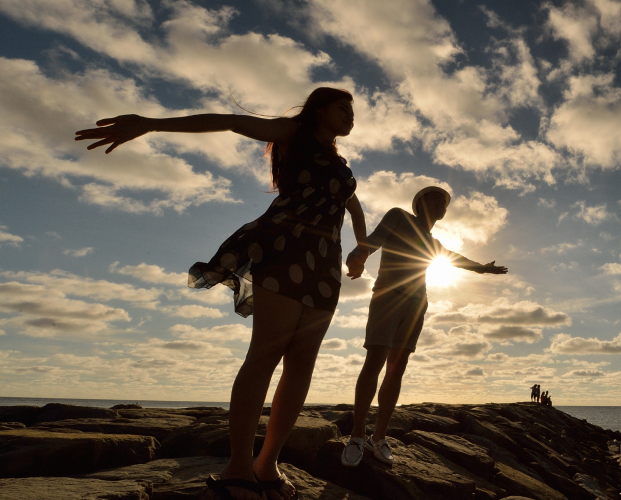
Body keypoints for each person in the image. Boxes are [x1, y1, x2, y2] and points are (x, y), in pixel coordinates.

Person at [76, 87, 366, 500]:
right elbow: (230, 122)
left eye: (353, 113)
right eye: (343, 109)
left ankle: (267, 465)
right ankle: (236, 469)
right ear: (320, 109)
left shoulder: (339, 162)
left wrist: (361, 245)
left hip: (324, 263)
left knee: (302, 363)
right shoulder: (291, 134)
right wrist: (151, 124)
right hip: (286, 248)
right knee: (266, 353)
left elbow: (352, 204)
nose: (351, 118)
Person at [340, 186, 507, 467]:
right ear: (418, 204)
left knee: (396, 368)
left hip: (416, 305)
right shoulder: (399, 217)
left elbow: (455, 259)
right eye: (434, 197)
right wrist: (357, 255)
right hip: (387, 298)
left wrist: (482, 268)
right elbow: (374, 240)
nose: (441, 201)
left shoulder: (432, 242)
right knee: (375, 361)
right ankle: (357, 435)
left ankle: (378, 438)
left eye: (444, 201)